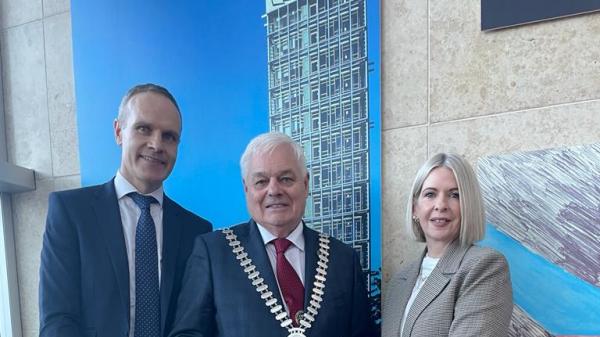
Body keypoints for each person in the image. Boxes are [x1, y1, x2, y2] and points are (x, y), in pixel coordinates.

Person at [39, 83, 212, 337]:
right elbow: (57, 319)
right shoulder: (71, 212)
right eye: (144, 129)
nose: (157, 144)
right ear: (119, 132)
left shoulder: (197, 231)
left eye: (169, 136)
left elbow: (196, 322)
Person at [169, 132, 375, 337]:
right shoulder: (213, 252)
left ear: (305, 184)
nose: (274, 190)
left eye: (286, 179)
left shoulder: (343, 259)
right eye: (261, 181)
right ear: (246, 188)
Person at [382, 153, 513, 337]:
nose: (441, 205)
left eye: (454, 195)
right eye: (430, 194)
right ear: (414, 208)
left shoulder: (485, 267)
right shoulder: (399, 282)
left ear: (468, 205)